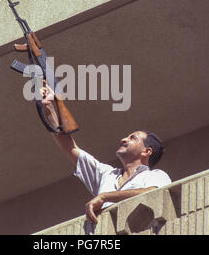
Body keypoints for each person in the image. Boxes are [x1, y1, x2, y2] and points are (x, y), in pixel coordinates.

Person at [40, 82, 172, 223]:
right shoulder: (106, 174)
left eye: (132, 138)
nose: (123, 139)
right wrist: (49, 107)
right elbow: (69, 147)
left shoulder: (155, 175)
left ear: (147, 151)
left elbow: (152, 193)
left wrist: (105, 197)